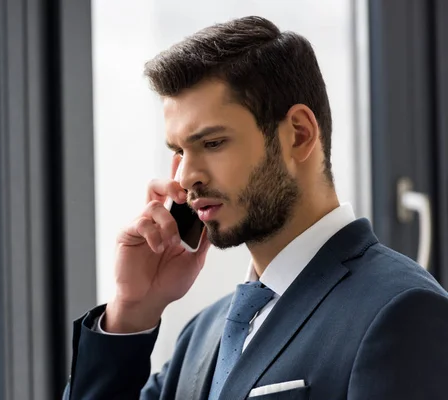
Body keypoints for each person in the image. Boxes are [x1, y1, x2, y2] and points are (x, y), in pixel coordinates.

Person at [63, 16, 448, 399]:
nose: (185, 177)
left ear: (299, 134)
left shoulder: (403, 312)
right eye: (179, 151)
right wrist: (131, 313)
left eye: (212, 143)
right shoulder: (200, 337)